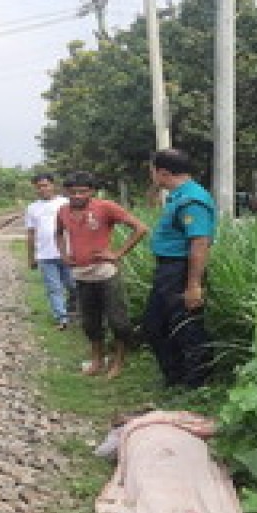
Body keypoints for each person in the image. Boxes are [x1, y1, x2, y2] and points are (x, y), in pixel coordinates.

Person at [55, 171, 149, 379]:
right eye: (72, 192)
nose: (77, 196)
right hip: (81, 275)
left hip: (106, 274)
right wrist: (63, 254)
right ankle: (97, 360)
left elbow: (140, 228)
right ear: (66, 192)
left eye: (83, 192)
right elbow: (58, 233)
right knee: (89, 322)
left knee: (118, 321)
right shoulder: (62, 211)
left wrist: (118, 253)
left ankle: (118, 362)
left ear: (92, 192)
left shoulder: (105, 207)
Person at [144, 149, 217, 388]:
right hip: (168, 270)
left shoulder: (192, 200)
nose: (151, 176)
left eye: (152, 171)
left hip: (180, 270)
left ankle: (196, 383)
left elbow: (199, 243)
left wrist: (193, 285)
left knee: (186, 326)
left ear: (163, 172)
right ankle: (175, 377)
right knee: (156, 325)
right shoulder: (178, 196)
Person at [26, 172, 75, 329]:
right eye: (39, 187)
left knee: (73, 285)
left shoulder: (66, 203)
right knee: (54, 288)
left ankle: (74, 310)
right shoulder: (32, 208)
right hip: (45, 255)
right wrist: (31, 257)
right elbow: (31, 233)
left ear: (53, 185)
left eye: (45, 185)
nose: (42, 189)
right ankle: (62, 318)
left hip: (67, 252)